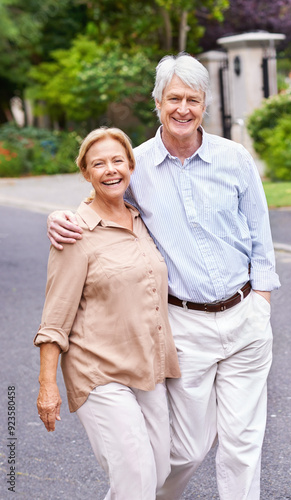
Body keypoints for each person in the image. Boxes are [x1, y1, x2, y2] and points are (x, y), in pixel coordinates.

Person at [47, 53, 281, 500]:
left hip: (246, 315)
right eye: (174, 97)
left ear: (205, 105)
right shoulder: (137, 166)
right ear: (157, 102)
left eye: (193, 99)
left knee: (243, 444)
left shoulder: (235, 159)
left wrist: (261, 306)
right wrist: (58, 217)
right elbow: (99, 200)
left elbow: (260, 238)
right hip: (185, 326)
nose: (183, 108)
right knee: (189, 448)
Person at [35, 127, 181, 500]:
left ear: (131, 166)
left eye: (118, 160)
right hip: (98, 372)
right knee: (135, 477)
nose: (110, 170)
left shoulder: (141, 218)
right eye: (98, 164)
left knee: (158, 470)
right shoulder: (74, 234)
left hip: (146, 367)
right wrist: (47, 386)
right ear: (86, 173)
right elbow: (55, 318)